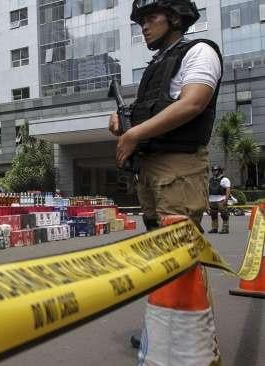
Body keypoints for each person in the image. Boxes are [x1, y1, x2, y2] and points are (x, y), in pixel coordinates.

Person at [108, 0, 222, 352]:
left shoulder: (199, 51)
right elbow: (156, 112)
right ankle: (164, 330)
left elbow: (193, 102)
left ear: (174, 17)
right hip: (153, 170)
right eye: (140, 20)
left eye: (150, 17)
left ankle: (192, 342)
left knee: (180, 254)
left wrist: (135, 134)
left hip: (179, 167)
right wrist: (123, 126)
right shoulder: (158, 64)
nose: (143, 26)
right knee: (162, 255)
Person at [208, 165, 230, 233]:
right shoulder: (211, 179)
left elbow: (228, 190)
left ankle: (225, 228)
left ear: (220, 171)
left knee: (224, 214)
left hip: (221, 200)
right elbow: (208, 190)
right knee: (213, 215)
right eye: (213, 171)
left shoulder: (225, 179)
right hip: (212, 200)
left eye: (216, 170)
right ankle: (214, 228)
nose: (214, 172)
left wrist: (226, 200)